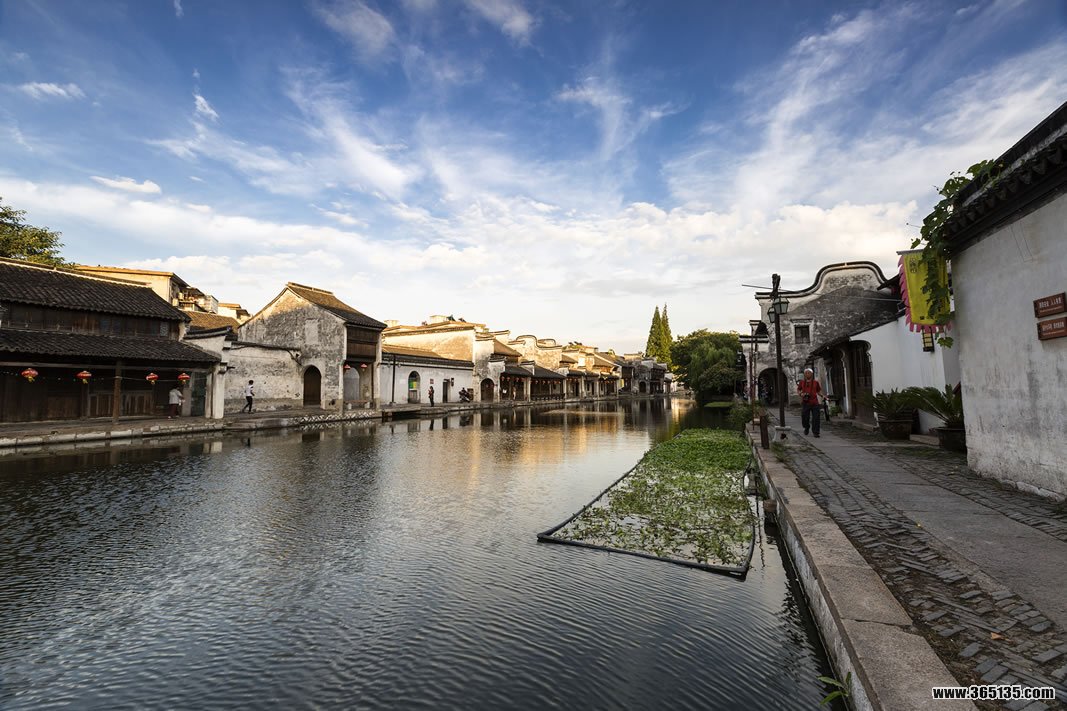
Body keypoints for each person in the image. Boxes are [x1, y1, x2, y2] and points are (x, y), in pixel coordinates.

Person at [798, 367, 823, 437]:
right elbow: (799, 389)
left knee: (816, 418)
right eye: (806, 373)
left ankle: (816, 432)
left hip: (814, 402)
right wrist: (800, 394)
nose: (807, 374)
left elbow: (818, 391)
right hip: (805, 402)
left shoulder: (815, 382)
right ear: (804, 374)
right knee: (804, 417)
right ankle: (806, 427)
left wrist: (823, 396)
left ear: (812, 374)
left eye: (809, 373)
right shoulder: (802, 382)